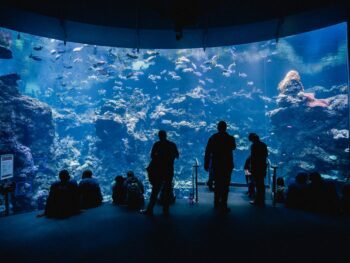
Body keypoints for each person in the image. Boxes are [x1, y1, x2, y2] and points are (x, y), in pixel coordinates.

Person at [141, 130, 179, 216]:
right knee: (167, 190)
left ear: (159, 136)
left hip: (159, 171)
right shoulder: (172, 145)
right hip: (169, 170)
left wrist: (160, 157)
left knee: (155, 190)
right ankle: (166, 210)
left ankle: (150, 209)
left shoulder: (157, 145)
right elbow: (177, 155)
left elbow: (152, 156)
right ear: (166, 135)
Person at [204, 121, 236, 213]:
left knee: (217, 184)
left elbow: (208, 151)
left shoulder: (213, 138)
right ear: (226, 128)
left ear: (218, 128)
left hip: (216, 164)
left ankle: (216, 203)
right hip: (227, 165)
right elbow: (233, 147)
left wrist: (206, 163)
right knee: (225, 184)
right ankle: (224, 204)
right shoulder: (230, 138)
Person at [248, 133, 268, 206]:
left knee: (257, 184)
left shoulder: (254, 145)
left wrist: (251, 168)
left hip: (256, 167)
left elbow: (253, 158)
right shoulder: (263, 144)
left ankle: (257, 201)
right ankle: (262, 200)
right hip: (262, 166)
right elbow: (266, 155)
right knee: (261, 184)